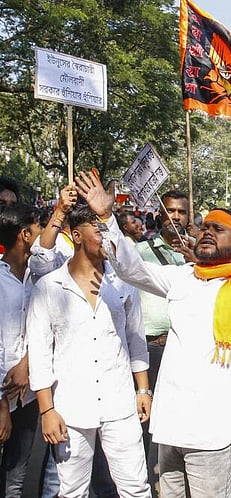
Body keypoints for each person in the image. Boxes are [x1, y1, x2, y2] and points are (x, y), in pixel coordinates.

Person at [74, 170, 231, 496]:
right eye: (206, 227)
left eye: (219, 229)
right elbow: (129, 267)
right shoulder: (182, 278)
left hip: (213, 431)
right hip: (171, 424)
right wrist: (106, 217)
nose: (208, 233)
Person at [26, 203, 152, 497]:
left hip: (120, 403)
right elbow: (41, 353)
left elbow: (135, 338)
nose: (106, 238)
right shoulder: (49, 287)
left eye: (109, 230)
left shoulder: (124, 283)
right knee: (72, 491)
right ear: (76, 235)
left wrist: (143, 390)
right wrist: (47, 409)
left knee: (135, 488)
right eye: (98, 230)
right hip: (71, 407)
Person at [131, 191, 192, 496]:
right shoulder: (139, 251)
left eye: (182, 211)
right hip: (150, 347)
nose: (176, 217)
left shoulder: (196, 253)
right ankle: (142, 482)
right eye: (171, 211)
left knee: (179, 419)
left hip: (184, 349)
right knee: (146, 418)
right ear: (159, 213)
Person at [0, 203, 43, 495]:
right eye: (40, 227)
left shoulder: (39, 278)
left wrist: (26, 365)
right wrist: (1, 403)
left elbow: (44, 332)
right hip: (3, 397)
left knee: (16, 475)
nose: (45, 234)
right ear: (25, 235)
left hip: (26, 397)